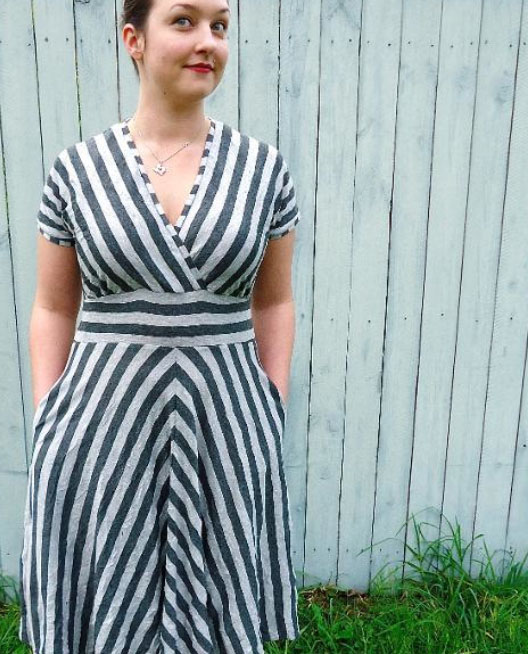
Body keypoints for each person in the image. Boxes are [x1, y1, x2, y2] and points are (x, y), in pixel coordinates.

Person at [18, 0, 302, 651]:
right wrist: (50, 411)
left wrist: (269, 400)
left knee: (219, 610)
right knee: (111, 607)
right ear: (133, 39)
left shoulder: (264, 170)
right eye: (184, 20)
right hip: (102, 424)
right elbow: (54, 307)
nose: (208, 40)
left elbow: (275, 302)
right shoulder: (75, 172)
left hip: (226, 425)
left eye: (220, 26)